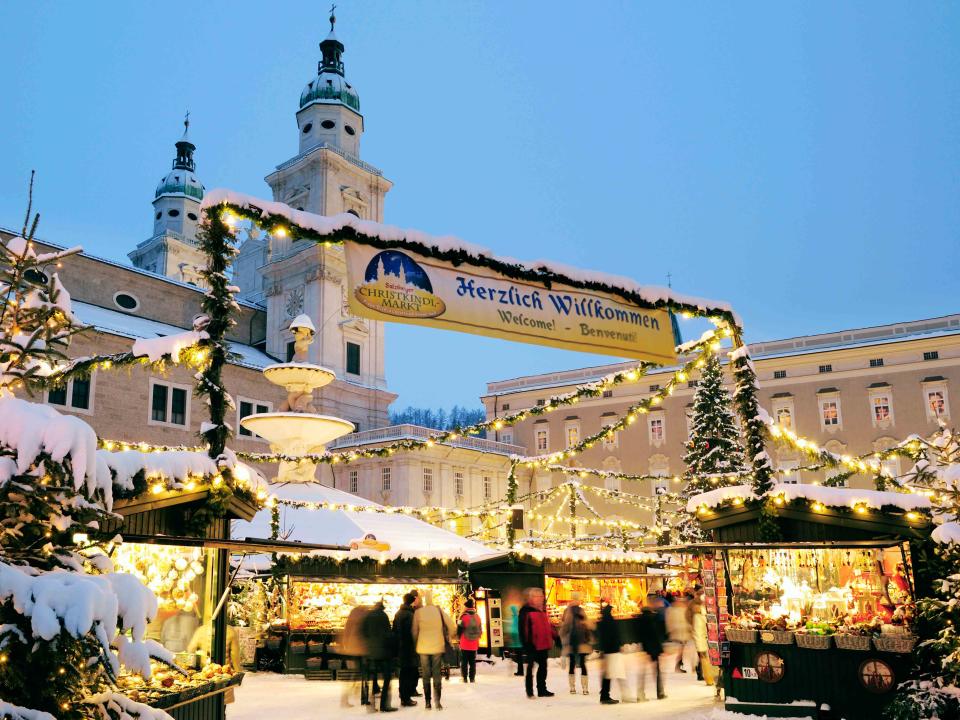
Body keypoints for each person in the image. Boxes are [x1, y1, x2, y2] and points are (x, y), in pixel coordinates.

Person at [412, 589, 456, 710]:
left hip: (423, 647)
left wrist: (416, 644)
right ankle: (438, 702)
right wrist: (451, 636)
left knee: (426, 675)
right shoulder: (439, 611)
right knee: (437, 674)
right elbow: (451, 626)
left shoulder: (419, 612)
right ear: (432, 599)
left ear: (424, 600)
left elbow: (414, 632)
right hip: (437, 646)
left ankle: (427, 702)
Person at [519, 587, 555, 699]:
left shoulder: (542, 610)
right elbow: (523, 629)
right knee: (530, 669)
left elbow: (548, 627)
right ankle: (529, 691)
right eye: (538, 597)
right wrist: (527, 643)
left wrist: (556, 637)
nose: (541, 599)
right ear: (532, 598)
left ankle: (542, 690)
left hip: (543, 645)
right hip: (532, 645)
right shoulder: (526, 611)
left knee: (543, 668)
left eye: (542, 596)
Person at [363, 599, 398, 712]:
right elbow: (387, 633)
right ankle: (384, 705)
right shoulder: (383, 616)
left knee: (373, 676)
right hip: (383, 652)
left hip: (371, 652)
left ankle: (371, 704)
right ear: (382, 608)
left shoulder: (368, 616)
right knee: (387, 677)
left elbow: (364, 633)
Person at [559, 593, 593, 695]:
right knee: (583, 664)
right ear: (578, 600)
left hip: (571, 641)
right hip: (582, 641)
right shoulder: (581, 610)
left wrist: (562, 636)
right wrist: (589, 637)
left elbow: (564, 626)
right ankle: (585, 688)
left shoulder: (567, 611)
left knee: (572, 663)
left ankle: (572, 687)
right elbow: (587, 624)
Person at [596, 601, 629, 705]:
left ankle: (605, 694)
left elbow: (601, 637)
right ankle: (607, 696)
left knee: (609, 673)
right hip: (612, 651)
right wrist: (619, 646)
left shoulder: (602, 622)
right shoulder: (611, 622)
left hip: (607, 650)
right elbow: (615, 636)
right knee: (614, 673)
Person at [635, 595, 667, 701]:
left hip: (645, 648)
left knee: (643, 673)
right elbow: (656, 634)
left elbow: (638, 635)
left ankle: (640, 694)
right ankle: (660, 693)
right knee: (657, 672)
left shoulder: (639, 620)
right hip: (654, 648)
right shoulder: (653, 619)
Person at [341, 604, 371, 708]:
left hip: (352, 649)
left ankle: (353, 695)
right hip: (361, 649)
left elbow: (346, 632)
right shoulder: (363, 618)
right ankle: (360, 696)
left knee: (356, 673)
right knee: (359, 673)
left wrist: (345, 644)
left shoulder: (352, 617)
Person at [393, 592, 419, 707]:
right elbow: (412, 633)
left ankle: (403, 695)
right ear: (411, 601)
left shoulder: (399, 613)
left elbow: (394, 630)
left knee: (404, 672)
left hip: (401, 647)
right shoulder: (409, 614)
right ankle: (406, 697)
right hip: (408, 648)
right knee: (409, 672)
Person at [689, 598, 715, 687]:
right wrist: (700, 647)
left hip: (713, 641)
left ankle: (715, 680)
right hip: (705, 642)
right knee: (706, 661)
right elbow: (697, 632)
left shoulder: (712, 611)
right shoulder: (699, 614)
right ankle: (710, 680)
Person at [457, 598, 482, 683]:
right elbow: (480, 630)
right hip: (474, 643)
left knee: (464, 661)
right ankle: (472, 678)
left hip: (465, 642)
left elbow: (459, 630)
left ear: (466, 607)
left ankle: (464, 678)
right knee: (472, 661)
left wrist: (458, 638)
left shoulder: (463, 617)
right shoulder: (478, 617)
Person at [666, 594, 692, 673]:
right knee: (681, 650)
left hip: (682, 633)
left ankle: (679, 664)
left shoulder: (676, 609)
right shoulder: (673, 610)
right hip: (680, 633)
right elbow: (669, 621)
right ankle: (678, 665)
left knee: (682, 649)